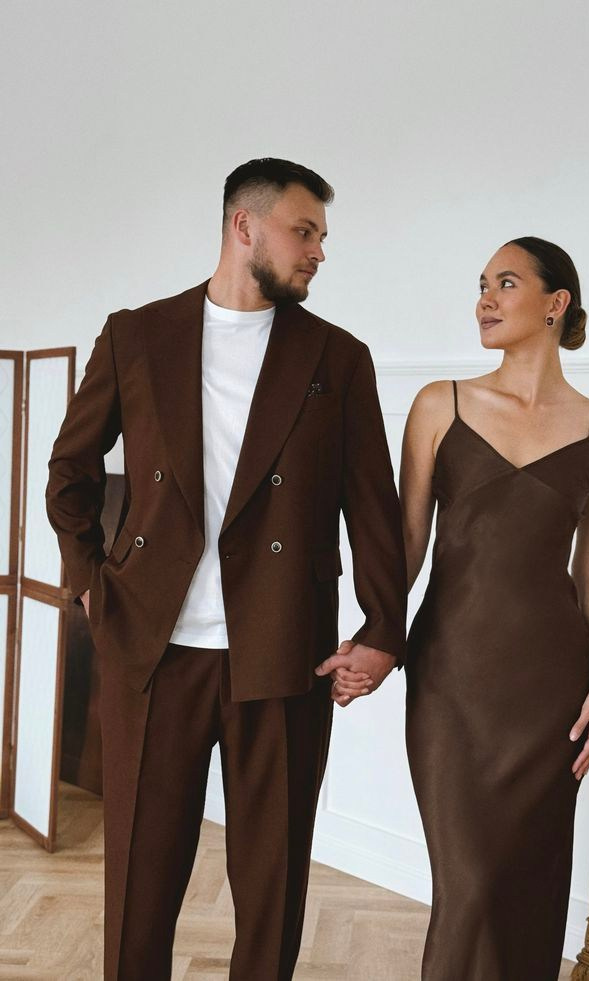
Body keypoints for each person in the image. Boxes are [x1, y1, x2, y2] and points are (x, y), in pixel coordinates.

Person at [45, 157, 407, 980]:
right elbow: (69, 471)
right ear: (244, 226)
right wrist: (91, 581)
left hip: (283, 650)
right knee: (139, 887)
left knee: (271, 894)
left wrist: (384, 628)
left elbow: (372, 506)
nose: (319, 252)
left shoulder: (337, 357)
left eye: (321, 235)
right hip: (155, 650)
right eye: (304, 231)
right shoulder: (138, 335)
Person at [398, 236, 589, 979]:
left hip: (549, 689)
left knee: (526, 890)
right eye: (481, 285)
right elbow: (406, 548)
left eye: (505, 283)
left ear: (555, 303)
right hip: (450, 678)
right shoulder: (440, 404)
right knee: (466, 887)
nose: (484, 300)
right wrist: (373, 635)